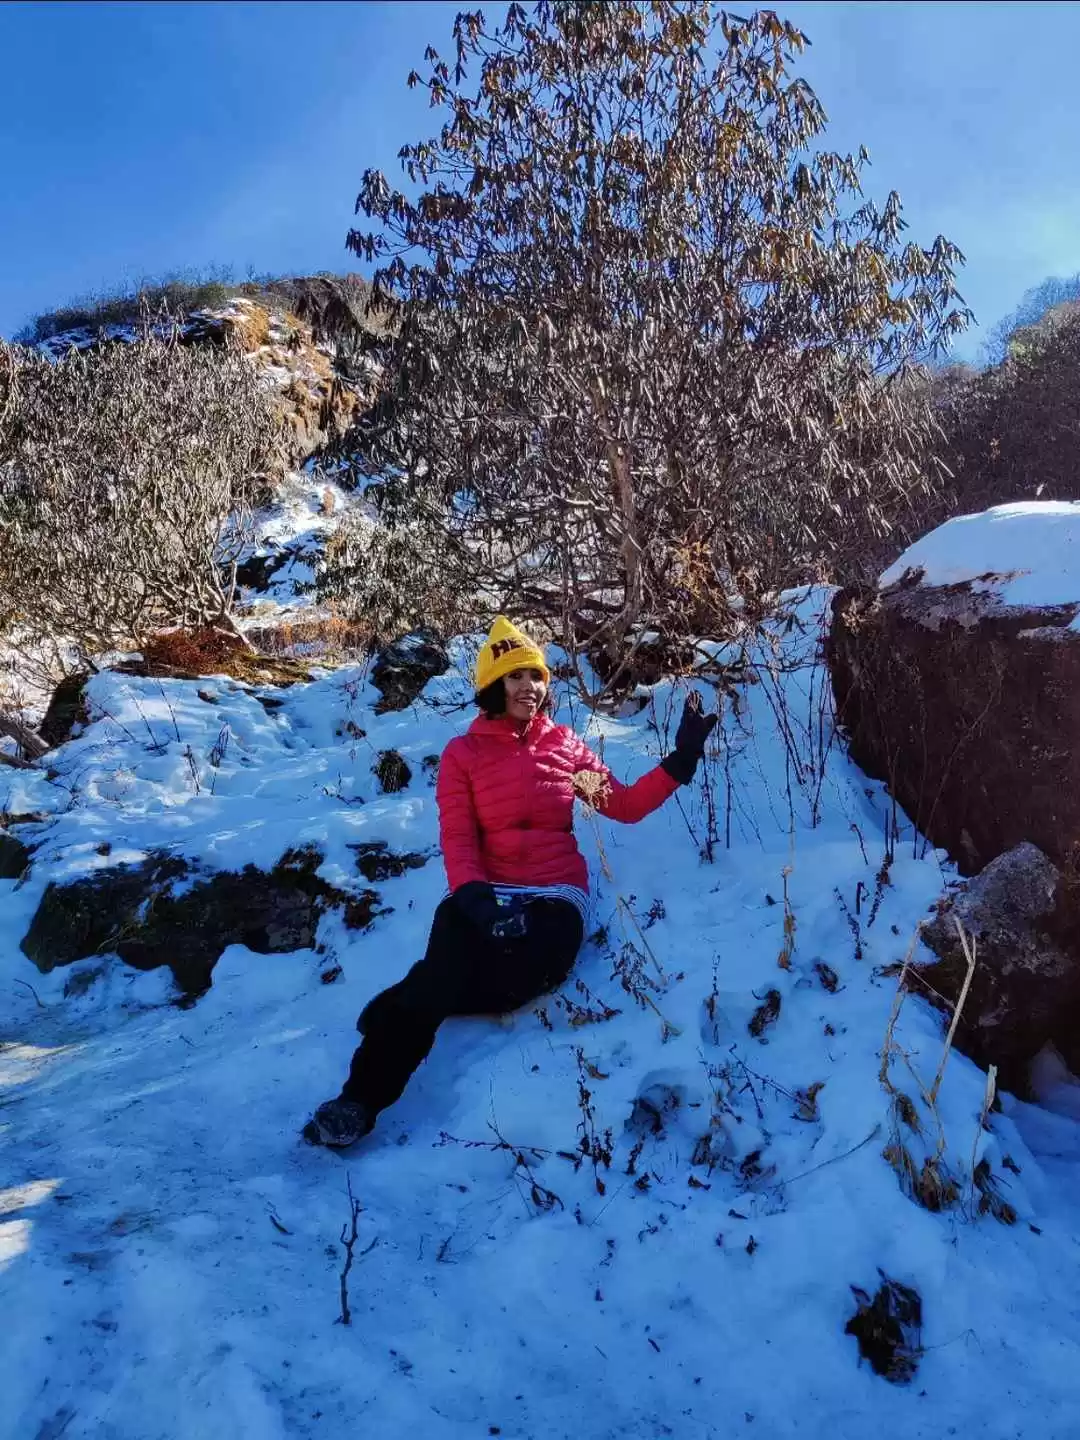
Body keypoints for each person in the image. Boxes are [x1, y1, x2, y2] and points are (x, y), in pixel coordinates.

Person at [304, 616, 718, 1148]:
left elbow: (626, 805)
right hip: (486, 892)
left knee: (511, 977)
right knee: (449, 946)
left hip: (553, 895)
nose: (530, 687)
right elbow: (457, 837)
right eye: (516, 676)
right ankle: (358, 1100)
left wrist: (681, 760)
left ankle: (413, 999)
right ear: (493, 686)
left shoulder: (565, 748)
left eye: (537, 676)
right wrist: (478, 902)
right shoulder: (464, 755)